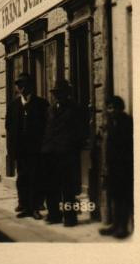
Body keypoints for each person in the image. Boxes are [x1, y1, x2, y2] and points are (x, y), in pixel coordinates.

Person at [41, 79, 87, 227]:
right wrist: (45, 148)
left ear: (67, 94)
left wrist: (73, 148)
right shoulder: (51, 109)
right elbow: (47, 130)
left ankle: (70, 218)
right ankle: (54, 215)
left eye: (61, 93)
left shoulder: (75, 108)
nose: (58, 96)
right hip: (51, 154)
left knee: (68, 187)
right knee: (51, 186)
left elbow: (81, 131)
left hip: (67, 154)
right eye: (56, 93)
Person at [5, 73, 49, 219]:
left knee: (36, 178)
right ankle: (24, 205)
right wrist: (11, 150)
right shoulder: (13, 106)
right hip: (20, 149)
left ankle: (35, 208)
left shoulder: (41, 104)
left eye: (24, 85)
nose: (21, 88)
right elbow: (9, 128)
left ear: (30, 86)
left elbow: (47, 127)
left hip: (37, 149)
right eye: (19, 85)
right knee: (22, 178)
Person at [99, 96, 133, 238]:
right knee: (113, 195)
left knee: (122, 197)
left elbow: (124, 144)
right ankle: (115, 225)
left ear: (120, 108)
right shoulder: (111, 122)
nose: (110, 110)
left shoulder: (125, 121)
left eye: (113, 107)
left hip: (123, 166)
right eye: (109, 107)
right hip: (111, 165)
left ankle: (123, 227)